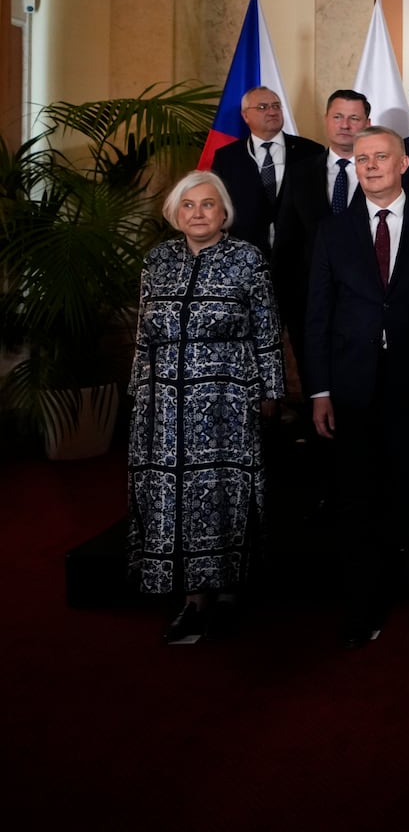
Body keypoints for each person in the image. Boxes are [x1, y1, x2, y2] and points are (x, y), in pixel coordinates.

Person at [305, 126, 409, 647]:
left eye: (381, 157)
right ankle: (362, 609)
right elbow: (317, 318)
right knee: (358, 504)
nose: (371, 166)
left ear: (403, 163)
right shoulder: (332, 232)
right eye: (362, 159)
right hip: (352, 391)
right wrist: (319, 390)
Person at [128, 172, 284, 643]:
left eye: (208, 204)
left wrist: (271, 392)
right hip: (164, 405)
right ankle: (192, 597)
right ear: (175, 213)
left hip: (228, 400)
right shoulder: (157, 260)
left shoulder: (247, 258)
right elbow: (142, 334)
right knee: (173, 500)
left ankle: (230, 590)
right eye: (188, 205)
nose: (198, 213)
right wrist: (138, 393)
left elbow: (267, 329)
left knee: (224, 494)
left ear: (224, 212)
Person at [273, 90, 370, 372]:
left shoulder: (381, 172)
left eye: (354, 118)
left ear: (367, 122)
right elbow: (286, 242)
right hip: (309, 302)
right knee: (314, 384)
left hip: (365, 303)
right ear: (326, 119)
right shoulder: (299, 172)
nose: (345, 125)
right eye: (338, 117)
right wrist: (284, 303)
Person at [210, 85, 319, 253]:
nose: (272, 112)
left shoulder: (311, 152)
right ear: (245, 115)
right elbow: (218, 205)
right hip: (244, 256)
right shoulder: (227, 157)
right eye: (262, 107)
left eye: (276, 106)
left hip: (300, 256)